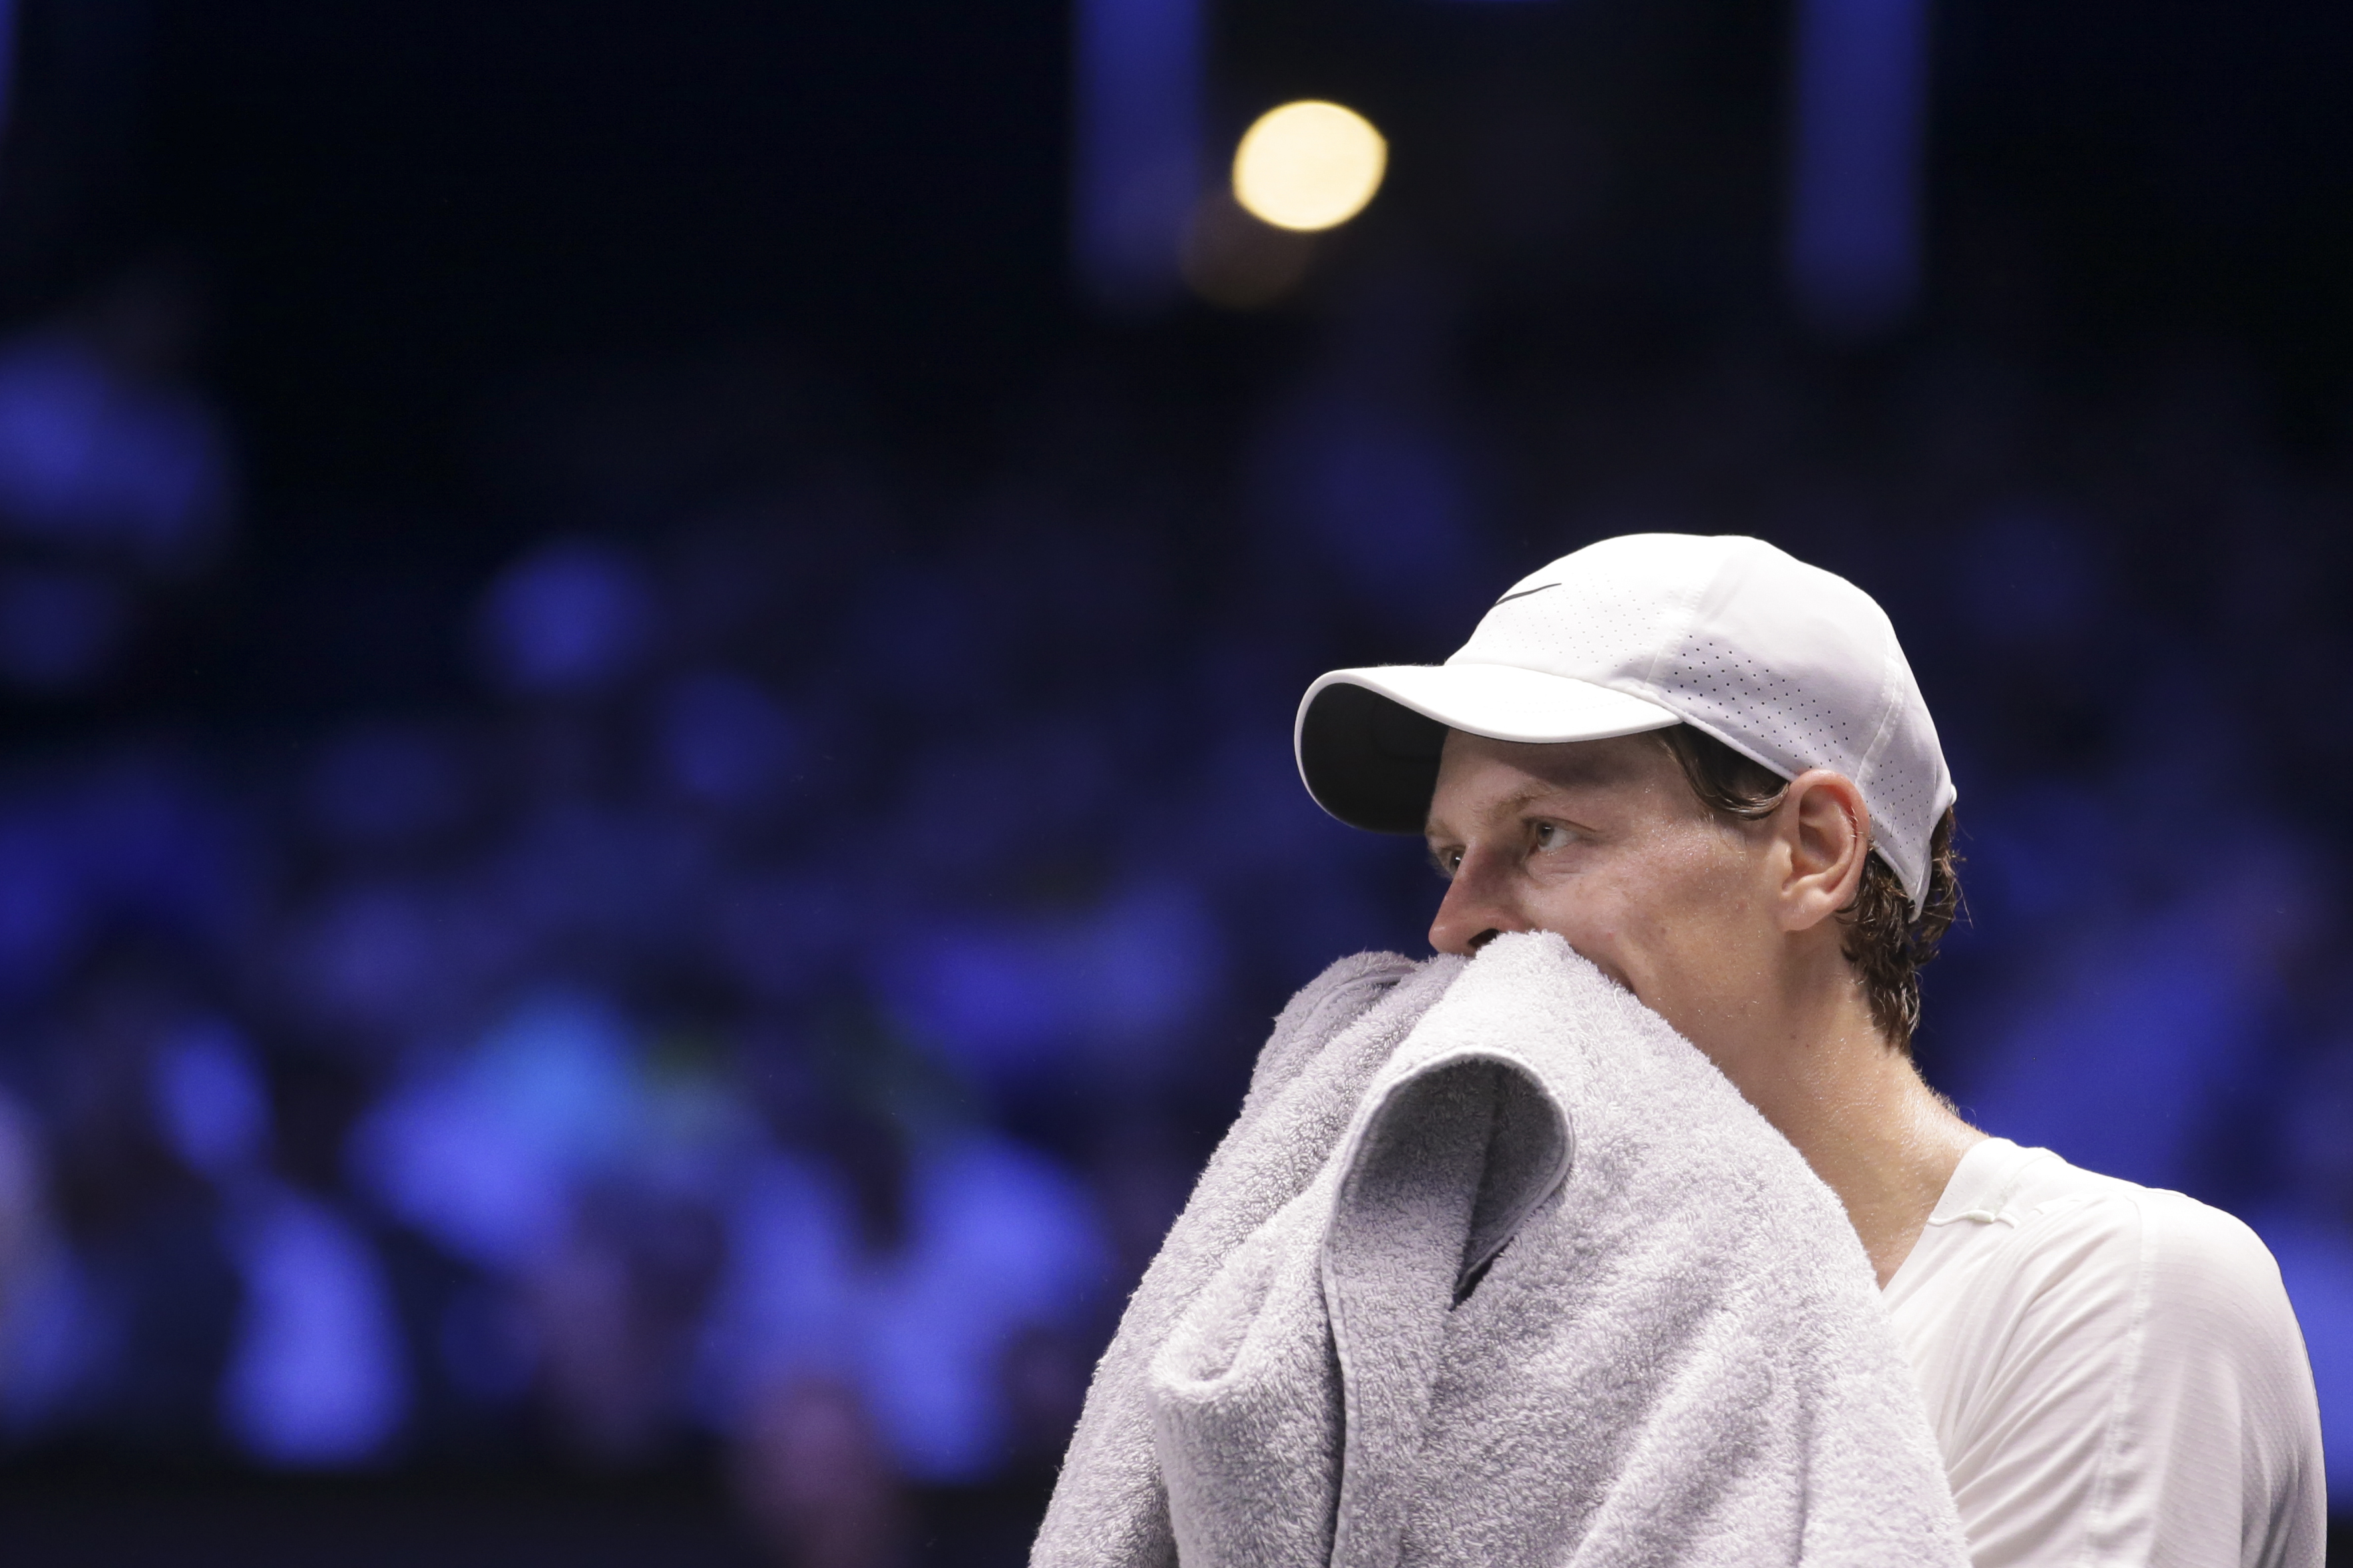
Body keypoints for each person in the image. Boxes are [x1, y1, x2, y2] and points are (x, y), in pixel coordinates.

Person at [1289, 532, 2326, 1567]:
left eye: (1548, 831)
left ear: (1814, 850)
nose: (1453, 922)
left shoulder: (2111, 1295)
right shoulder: (1518, 1369)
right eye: (1452, 854)